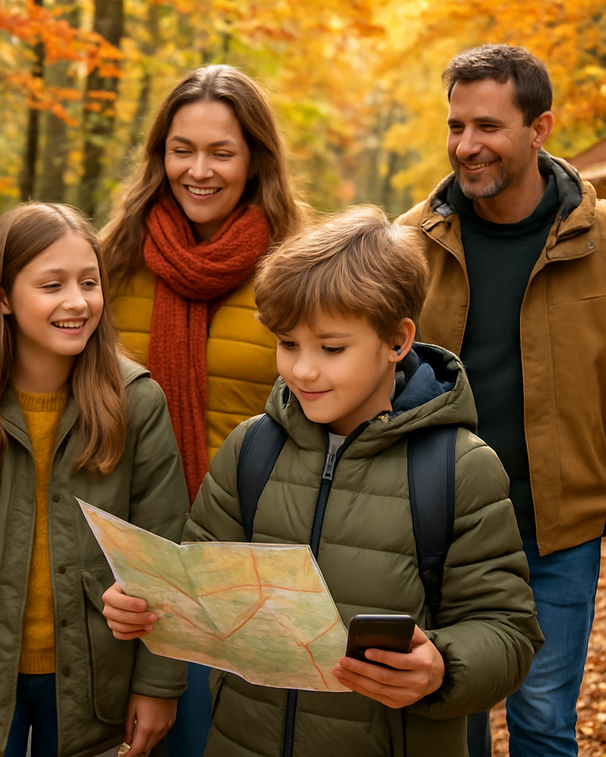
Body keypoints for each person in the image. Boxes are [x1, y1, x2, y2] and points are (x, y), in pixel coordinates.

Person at [101, 206, 543, 756]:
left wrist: (442, 666)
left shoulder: (458, 468)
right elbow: (198, 583)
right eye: (288, 344)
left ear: (397, 341)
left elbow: (508, 631)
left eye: (331, 349)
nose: (302, 370)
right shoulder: (251, 449)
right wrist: (145, 602)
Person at [0, 202, 189, 757]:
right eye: (52, 284)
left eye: (89, 282)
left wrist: (158, 684)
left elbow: (165, 556)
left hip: (97, 675)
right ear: (2, 297)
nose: (76, 301)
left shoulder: (137, 403)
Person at [395, 43, 606, 757]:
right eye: (455, 126)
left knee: (543, 723)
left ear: (539, 128)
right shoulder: (407, 246)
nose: (466, 145)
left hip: (559, 534)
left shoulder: (598, 243)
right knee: (449, 718)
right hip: (437, 529)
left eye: (486, 126)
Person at [99, 64, 303, 756]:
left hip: (248, 566)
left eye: (222, 151)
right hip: (124, 561)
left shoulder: (295, 272)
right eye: (182, 149)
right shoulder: (111, 261)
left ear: (255, 160)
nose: (199, 170)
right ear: (160, 154)